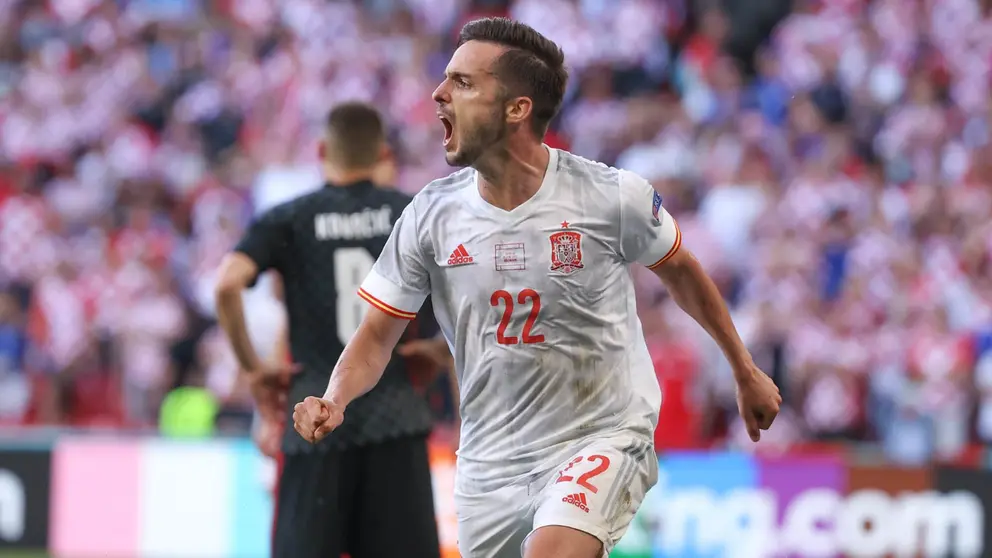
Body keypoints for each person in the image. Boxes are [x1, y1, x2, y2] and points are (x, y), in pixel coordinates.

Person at [292, 18, 782, 558]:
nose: (438, 93)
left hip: (601, 435)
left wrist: (745, 368)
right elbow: (378, 334)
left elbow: (682, 272)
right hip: (489, 465)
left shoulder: (609, 197)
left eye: (463, 82)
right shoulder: (430, 214)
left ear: (517, 108)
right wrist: (335, 398)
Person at [214, 102, 442, 558]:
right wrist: (439, 349)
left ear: (321, 150)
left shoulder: (290, 219)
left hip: (313, 420)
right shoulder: (411, 213)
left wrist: (255, 371)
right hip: (394, 419)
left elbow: (226, 286)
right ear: (381, 153)